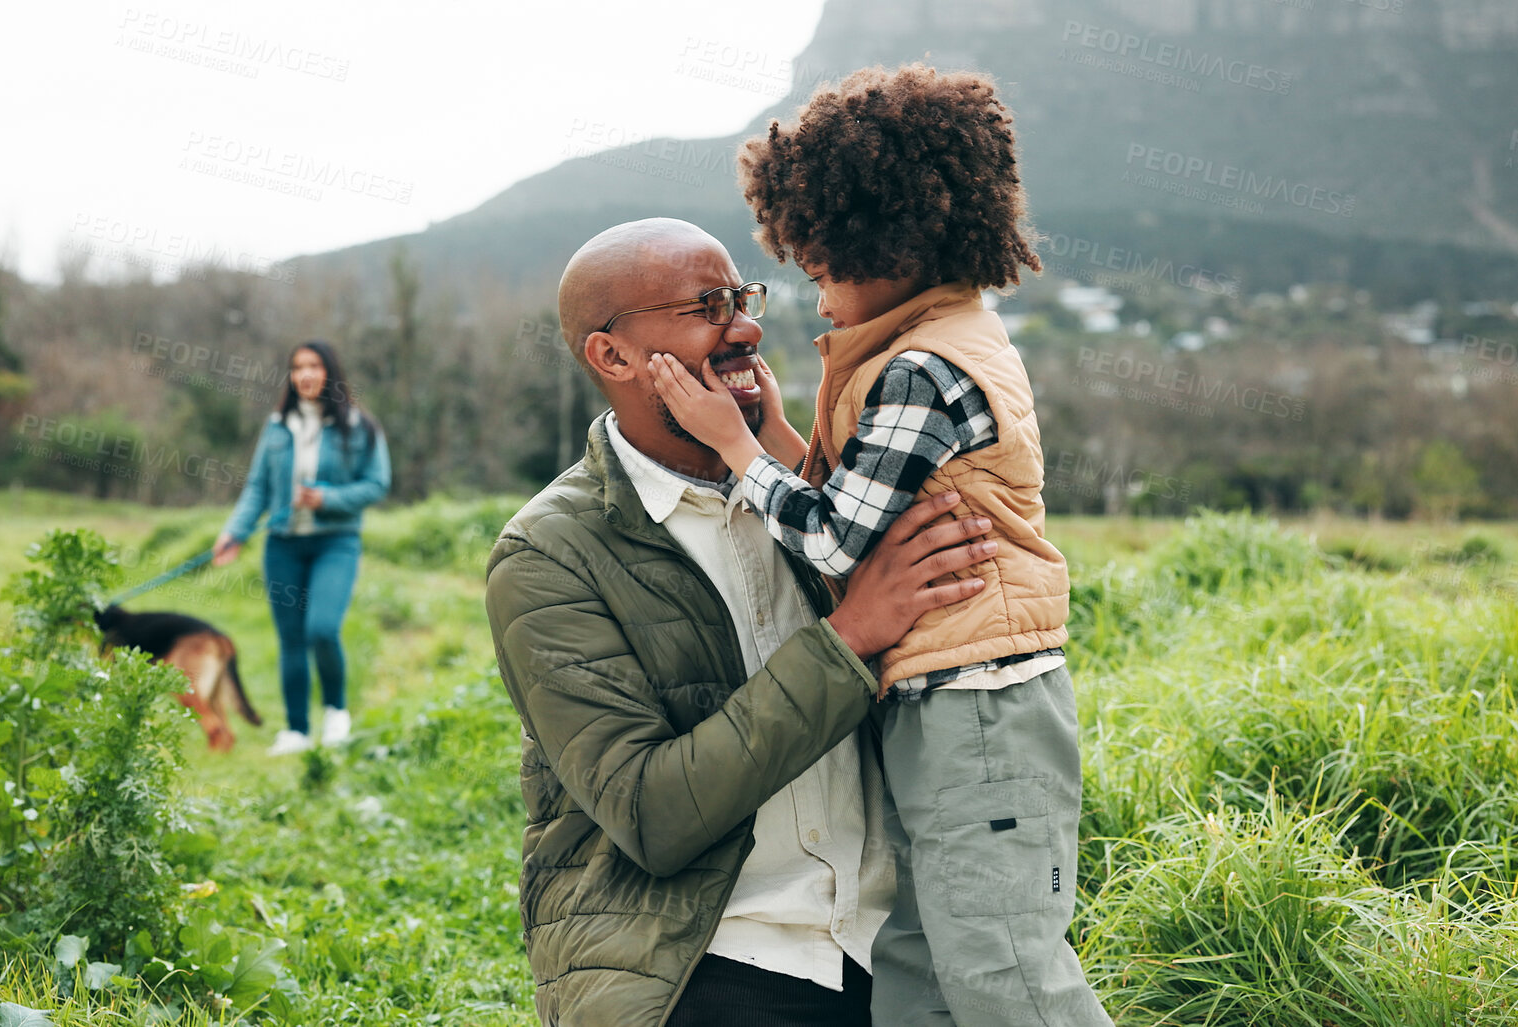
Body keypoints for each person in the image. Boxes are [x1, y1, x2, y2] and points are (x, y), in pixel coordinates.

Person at [649, 65, 1113, 1025]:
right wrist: (779, 433)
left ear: (885, 242)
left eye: (821, 271)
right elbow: (869, 500)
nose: (815, 301)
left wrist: (735, 447)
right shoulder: (938, 339)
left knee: (1004, 975)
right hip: (939, 703)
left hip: (977, 712)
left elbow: (830, 540)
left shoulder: (922, 370)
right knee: (916, 971)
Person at [486, 217, 1000, 1027]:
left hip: (899, 941)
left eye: (742, 297)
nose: (746, 327)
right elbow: (651, 812)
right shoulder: (549, 554)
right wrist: (852, 635)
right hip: (710, 956)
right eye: (706, 308)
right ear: (612, 355)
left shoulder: (817, 500)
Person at [214, 340, 390, 756]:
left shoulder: (360, 426)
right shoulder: (278, 426)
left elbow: (376, 484)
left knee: (322, 629)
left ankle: (336, 712)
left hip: (336, 543)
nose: (305, 374)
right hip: (282, 546)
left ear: (330, 372)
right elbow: (257, 487)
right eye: (297, 367)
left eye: (313, 366)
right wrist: (233, 533)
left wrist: (327, 499)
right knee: (291, 638)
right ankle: (295, 730)